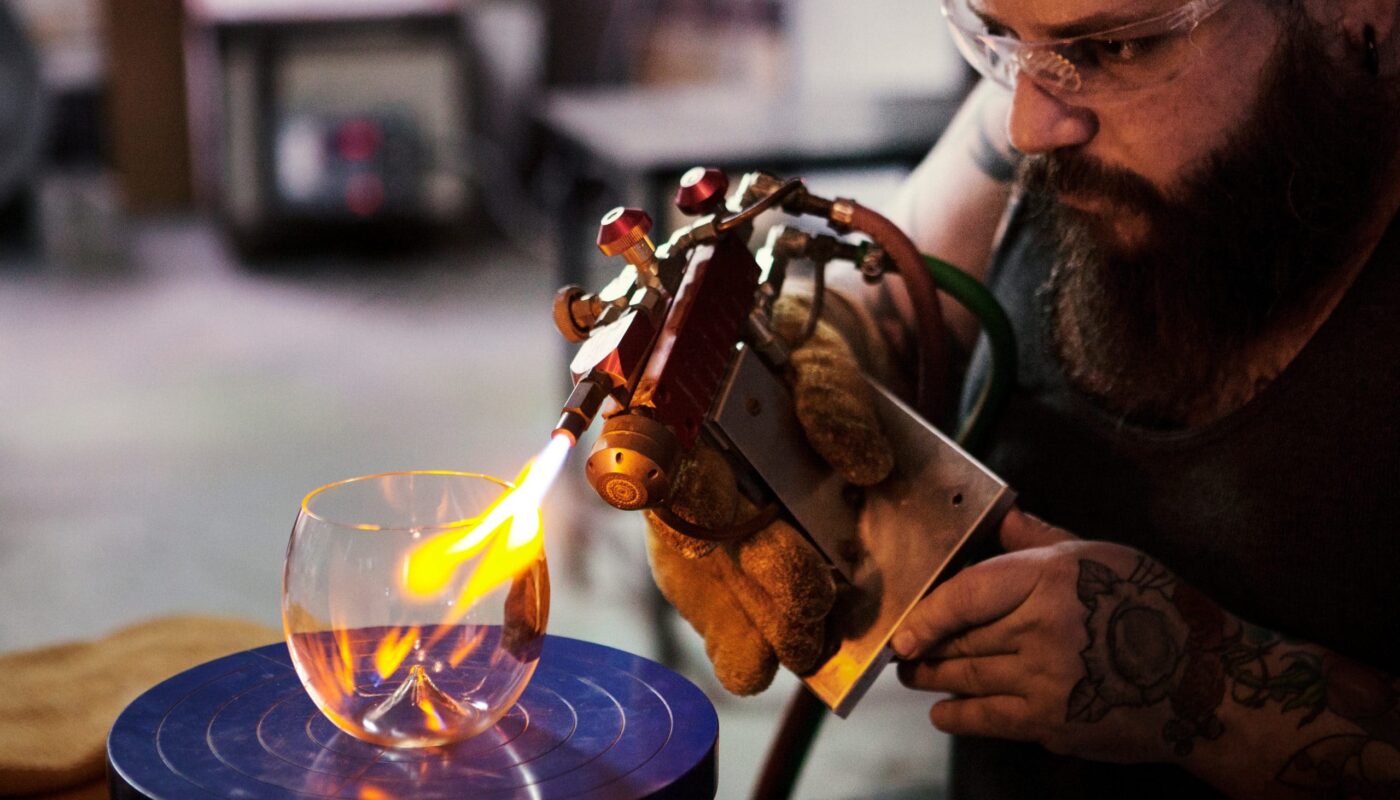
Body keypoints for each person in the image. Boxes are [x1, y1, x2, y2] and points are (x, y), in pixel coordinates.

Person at [876, 0, 1400, 796]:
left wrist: (1190, 678)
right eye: (1003, 39)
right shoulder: (1033, 97)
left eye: (1121, 47)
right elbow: (873, 297)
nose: (1027, 127)